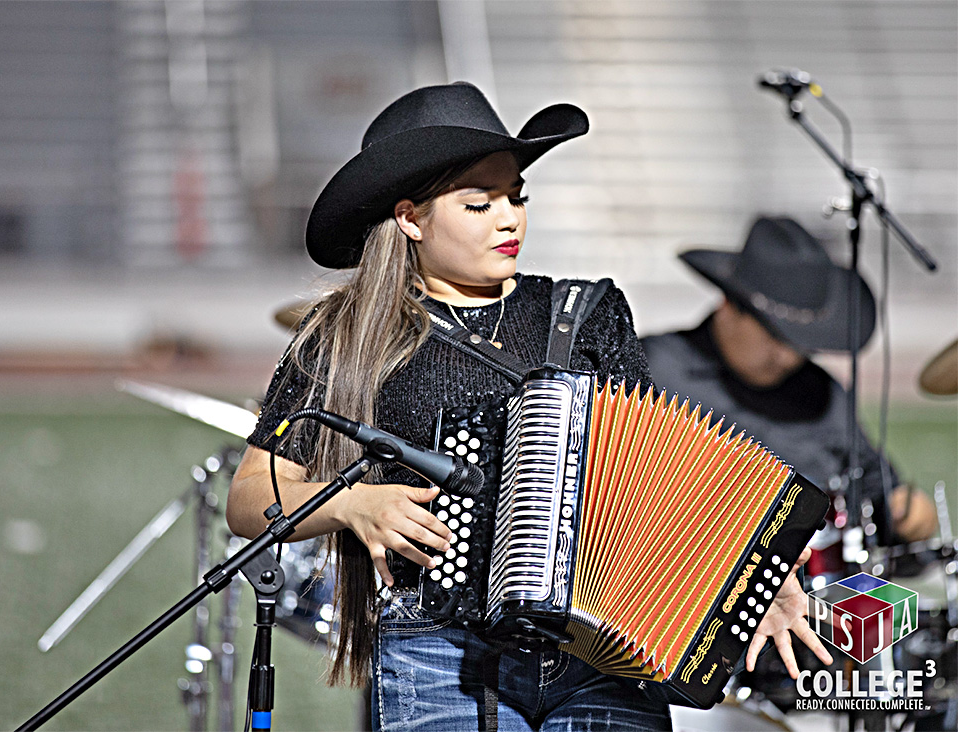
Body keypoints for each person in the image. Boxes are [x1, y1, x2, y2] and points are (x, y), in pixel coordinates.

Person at [226, 84, 830, 731]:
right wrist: (351, 504)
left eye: (517, 197)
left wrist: (740, 581)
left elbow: (652, 481)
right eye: (480, 203)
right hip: (436, 655)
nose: (510, 218)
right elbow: (248, 500)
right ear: (411, 218)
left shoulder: (589, 312)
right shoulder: (344, 334)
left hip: (608, 656)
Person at [641, 216, 938, 576]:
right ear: (728, 305)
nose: (787, 357)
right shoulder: (651, 371)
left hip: (807, 609)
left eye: (800, 343)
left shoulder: (823, 395)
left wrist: (909, 512)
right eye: (775, 335)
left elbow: (880, 492)